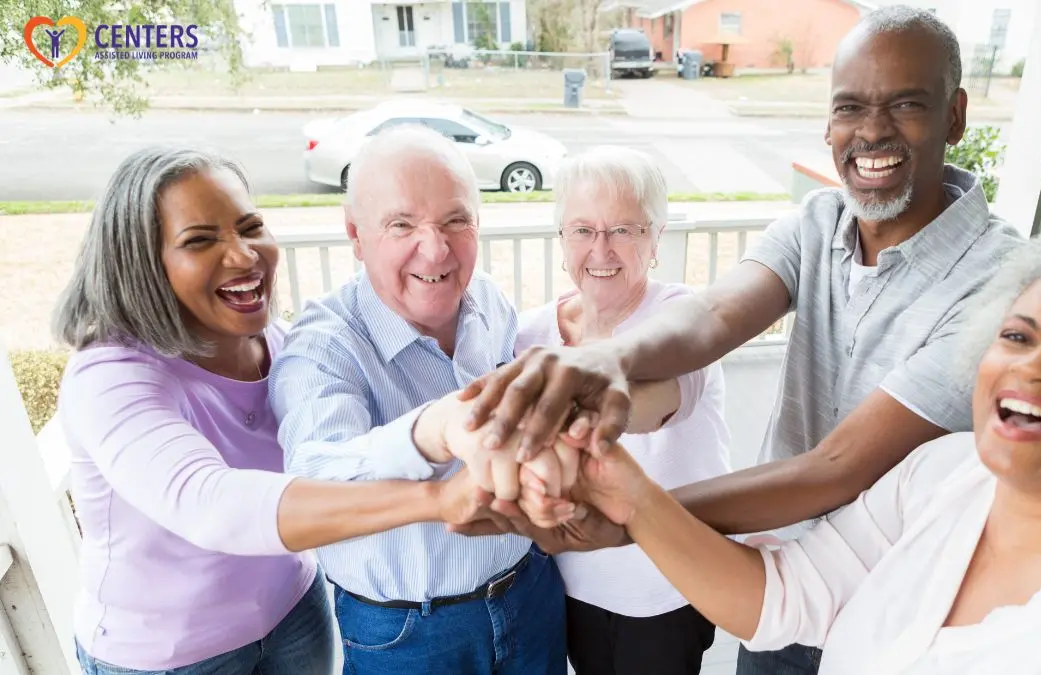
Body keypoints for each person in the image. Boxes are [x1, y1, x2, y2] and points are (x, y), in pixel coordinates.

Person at [458, 8, 1024, 673]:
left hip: (899, 609)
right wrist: (603, 358)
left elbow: (838, 467)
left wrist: (636, 515)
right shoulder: (816, 223)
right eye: (850, 106)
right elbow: (715, 316)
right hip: (777, 583)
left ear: (955, 115)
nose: (871, 130)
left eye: (905, 104)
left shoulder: (1002, 285)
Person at [530, 221, 1041, 674]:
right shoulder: (950, 472)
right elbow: (781, 593)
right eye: (1019, 336)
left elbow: (832, 468)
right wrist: (623, 490)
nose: (1034, 367)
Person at [52, 146, 509, 675]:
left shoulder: (275, 340)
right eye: (200, 240)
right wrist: (435, 498)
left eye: (250, 227)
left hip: (291, 612)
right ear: (142, 263)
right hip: (166, 654)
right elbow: (212, 504)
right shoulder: (109, 376)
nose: (244, 255)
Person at [269, 125, 681, 674]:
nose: (435, 248)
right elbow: (310, 486)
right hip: (410, 633)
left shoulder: (485, 298)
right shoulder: (323, 346)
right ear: (355, 234)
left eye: (455, 220)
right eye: (402, 224)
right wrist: (428, 433)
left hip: (530, 593)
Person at [515, 146, 732, 674]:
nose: (601, 249)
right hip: (575, 584)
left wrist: (570, 404)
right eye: (583, 230)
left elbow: (656, 405)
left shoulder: (681, 317)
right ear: (561, 239)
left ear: (655, 239)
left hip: (667, 587)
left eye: (624, 230)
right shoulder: (530, 334)